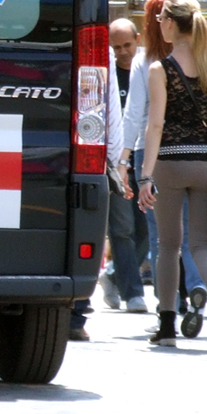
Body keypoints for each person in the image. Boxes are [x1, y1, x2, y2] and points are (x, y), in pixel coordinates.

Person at [138, 0, 207, 349]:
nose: (158, 25)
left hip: (170, 160)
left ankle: (167, 325)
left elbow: (155, 126)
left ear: (171, 23)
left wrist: (145, 175)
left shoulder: (160, 68)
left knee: (168, 244)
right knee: (202, 245)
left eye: (161, 19)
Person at [117, 0, 207, 332]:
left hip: (153, 153)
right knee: (191, 235)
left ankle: (167, 308)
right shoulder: (203, 59)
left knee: (162, 239)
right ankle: (198, 286)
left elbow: (137, 116)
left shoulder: (149, 62)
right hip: (197, 152)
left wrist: (126, 158)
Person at [71, 46, 126, 341]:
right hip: (80, 154)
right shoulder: (94, 49)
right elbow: (110, 111)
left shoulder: (98, 51)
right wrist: (116, 161)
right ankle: (75, 314)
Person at [97, 19, 149, 313]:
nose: (122, 52)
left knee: (144, 229)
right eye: (116, 47)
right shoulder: (107, 75)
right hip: (114, 160)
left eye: (127, 45)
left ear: (137, 40)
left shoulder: (145, 73)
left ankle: (114, 275)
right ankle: (133, 293)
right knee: (122, 227)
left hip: (143, 158)